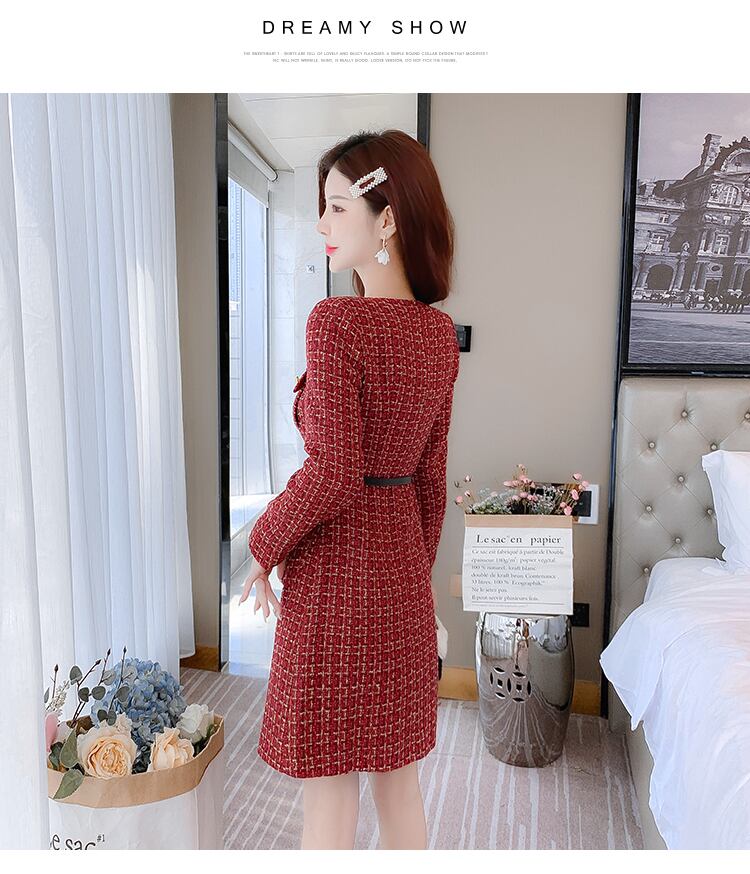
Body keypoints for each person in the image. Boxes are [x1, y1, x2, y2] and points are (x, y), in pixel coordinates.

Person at [240, 129, 460, 850]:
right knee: (399, 787)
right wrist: (415, 581)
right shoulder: (438, 335)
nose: (322, 224)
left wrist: (262, 543)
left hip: (333, 583)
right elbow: (430, 482)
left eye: (337, 207)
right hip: (400, 578)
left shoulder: (336, 323)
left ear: (386, 218)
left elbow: (332, 472)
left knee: (329, 793)